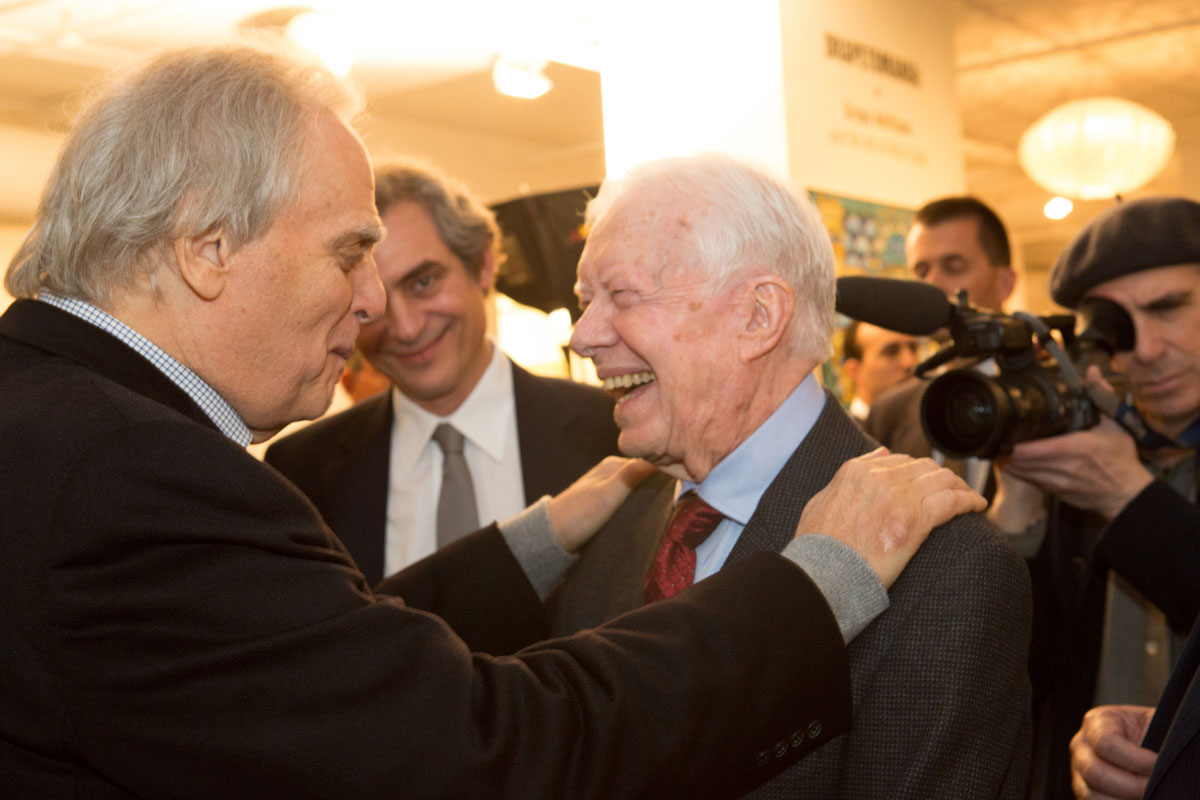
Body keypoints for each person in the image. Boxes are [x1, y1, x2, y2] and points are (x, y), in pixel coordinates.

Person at [0, 44, 983, 798]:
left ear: (759, 315)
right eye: (347, 253)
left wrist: (532, 544)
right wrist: (818, 586)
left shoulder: (56, 422)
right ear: (207, 247)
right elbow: (474, 745)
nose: (373, 304)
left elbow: (306, 660)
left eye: (623, 296)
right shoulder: (128, 472)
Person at [549, 153, 1032, 799]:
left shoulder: (946, 569)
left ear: (759, 316)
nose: (582, 337)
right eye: (585, 302)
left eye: (622, 296)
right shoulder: (608, 523)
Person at [265, 160, 619, 583]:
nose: (406, 328)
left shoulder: (611, 432)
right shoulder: (302, 470)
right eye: (374, 301)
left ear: (482, 264)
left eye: (423, 282)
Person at [988, 197, 1200, 800]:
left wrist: (1127, 496)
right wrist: (1016, 511)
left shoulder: (1103, 474)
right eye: (1118, 330)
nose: (1147, 349)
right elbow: (1010, 675)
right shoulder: (1079, 454)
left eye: (1168, 308)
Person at [863, 195, 1016, 491]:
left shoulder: (1053, 401)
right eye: (921, 272)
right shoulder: (888, 415)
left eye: (954, 267)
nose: (932, 286)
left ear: (1005, 282)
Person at [840, 319, 920, 421]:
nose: (909, 362)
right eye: (891, 352)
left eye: (913, 349)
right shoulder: (846, 430)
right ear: (855, 371)